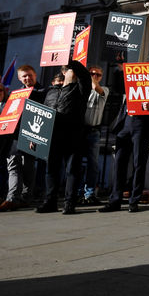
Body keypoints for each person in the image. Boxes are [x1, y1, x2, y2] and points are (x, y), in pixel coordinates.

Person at [99, 55, 149, 214]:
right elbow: (118, 88)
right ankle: (115, 200)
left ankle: (134, 200)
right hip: (125, 125)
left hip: (142, 127)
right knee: (119, 163)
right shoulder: (133, 80)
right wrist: (119, 68)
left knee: (139, 164)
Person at [40, 61, 92, 214]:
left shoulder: (81, 89)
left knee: (72, 170)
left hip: (73, 135)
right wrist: (35, 136)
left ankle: (70, 203)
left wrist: (72, 62)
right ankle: (50, 202)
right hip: (53, 136)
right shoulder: (51, 92)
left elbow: (84, 76)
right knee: (51, 170)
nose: (74, 72)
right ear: (64, 73)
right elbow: (41, 114)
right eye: (71, 70)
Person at [0, 65, 46, 211]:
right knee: (13, 166)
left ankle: (26, 197)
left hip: (32, 134)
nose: (27, 78)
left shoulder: (44, 92)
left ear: (35, 75)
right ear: (19, 78)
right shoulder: (15, 94)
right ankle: (12, 198)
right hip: (14, 136)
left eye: (29, 75)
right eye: (24, 76)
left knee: (28, 167)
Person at [80, 66, 109, 205]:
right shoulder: (81, 88)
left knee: (93, 164)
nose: (95, 76)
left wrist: (91, 79)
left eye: (98, 74)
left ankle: (89, 193)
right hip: (79, 130)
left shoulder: (104, 89)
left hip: (93, 131)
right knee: (77, 163)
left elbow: (97, 88)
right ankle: (77, 191)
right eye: (92, 74)